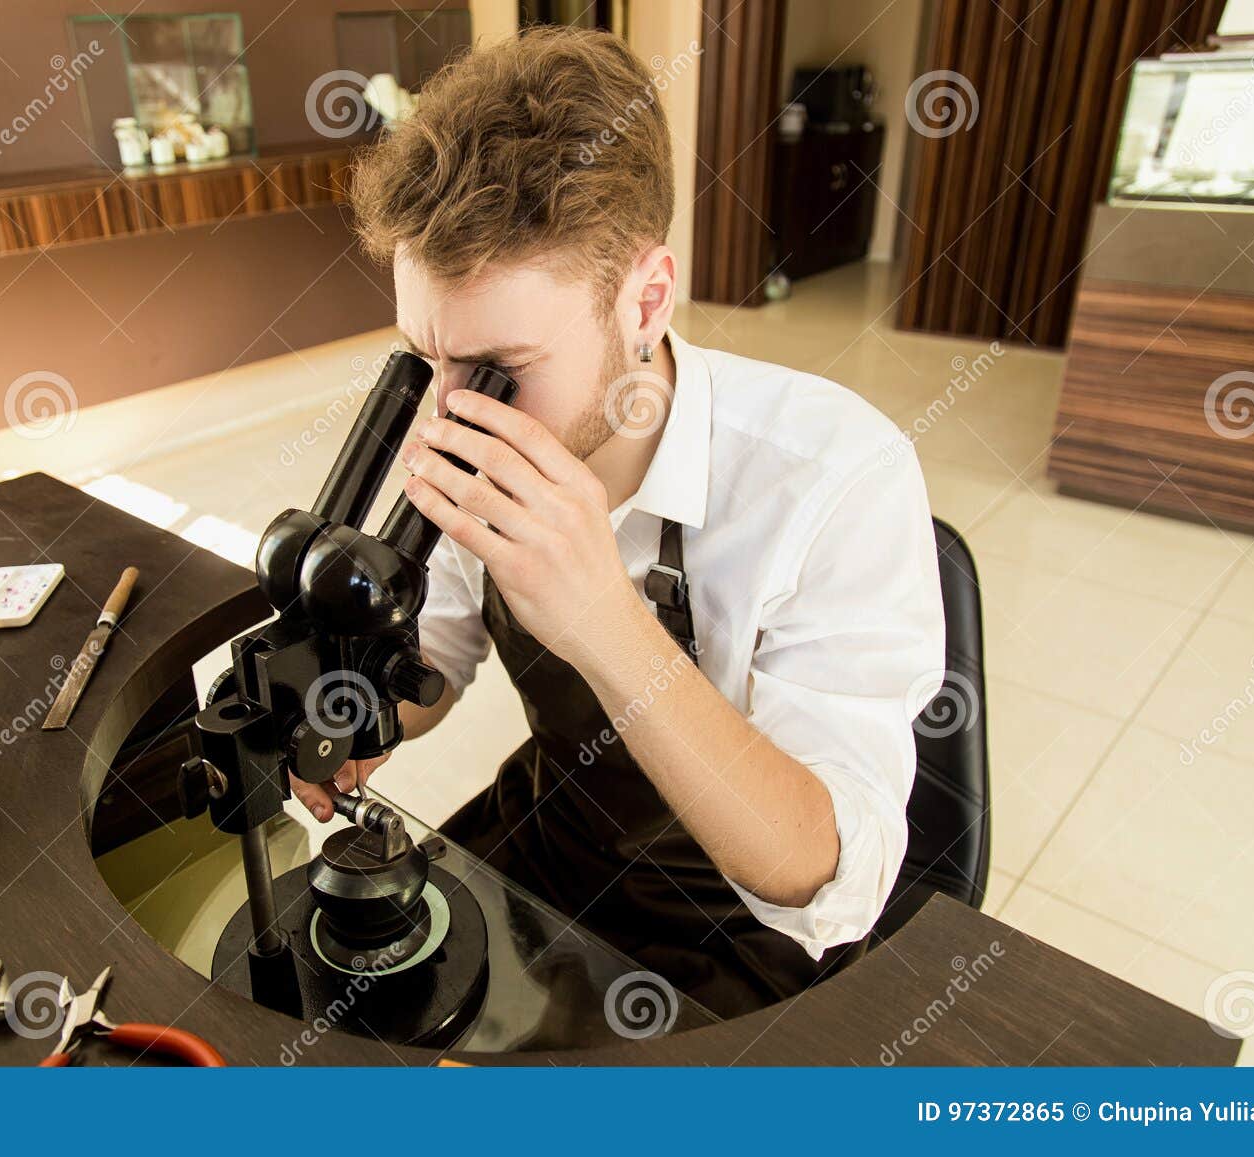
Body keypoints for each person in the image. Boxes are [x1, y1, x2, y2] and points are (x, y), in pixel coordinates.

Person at [289, 26, 946, 1016]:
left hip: (737, 927)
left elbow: (821, 869)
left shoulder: (837, 475)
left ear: (646, 298)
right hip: (553, 836)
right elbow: (440, 658)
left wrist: (602, 615)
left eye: (499, 368)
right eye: (425, 360)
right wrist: (361, 711)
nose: (449, 416)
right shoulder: (475, 430)